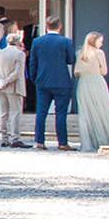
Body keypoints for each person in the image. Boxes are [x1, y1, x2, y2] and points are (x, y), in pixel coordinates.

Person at [28, 15, 76, 151]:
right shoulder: (66, 41)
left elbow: (32, 63)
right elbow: (71, 60)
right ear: (60, 26)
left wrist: (34, 79)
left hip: (43, 81)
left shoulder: (37, 41)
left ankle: (39, 141)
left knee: (41, 112)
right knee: (61, 113)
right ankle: (62, 142)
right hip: (62, 82)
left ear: (46, 26)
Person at [75, 32, 109, 152]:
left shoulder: (79, 53)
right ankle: (104, 138)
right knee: (101, 109)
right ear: (94, 41)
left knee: (85, 112)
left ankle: (87, 142)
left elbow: (77, 72)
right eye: (100, 41)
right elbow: (104, 71)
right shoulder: (99, 53)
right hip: (97, 82)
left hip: (83, 83)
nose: (101, 44)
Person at [0, 32, 27, 148]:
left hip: (1, 88)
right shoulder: (20, 54)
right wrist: (5, 82)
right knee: (15, 112)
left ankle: (3, 138)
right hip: (14, 87)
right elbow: (17, 72)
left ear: (7, 42)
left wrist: (0, 82)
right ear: (18, 42)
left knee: (2, 112)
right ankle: (15, 138)